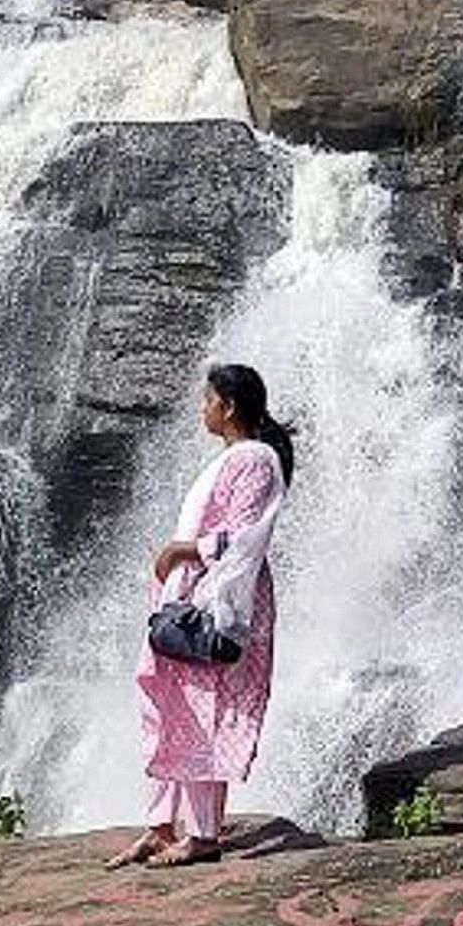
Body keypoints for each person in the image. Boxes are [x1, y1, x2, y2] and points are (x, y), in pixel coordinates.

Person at [112, 361, 295, 871]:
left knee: (202, 711)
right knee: (170, 704)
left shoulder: (255, 460)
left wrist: (184, 551)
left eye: (207, 400)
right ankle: (160, 826)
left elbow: (245, 535)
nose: (202, 409)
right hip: (191, 597)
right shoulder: (235, 458)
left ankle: (204, 836)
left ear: (229, 406)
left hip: (220, 605)